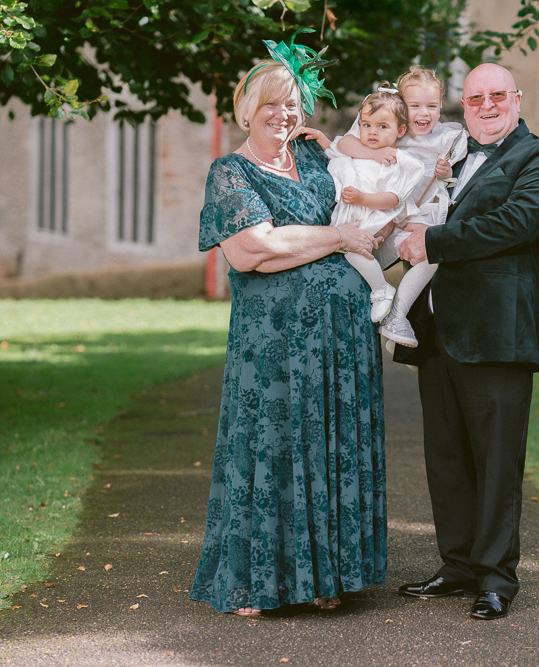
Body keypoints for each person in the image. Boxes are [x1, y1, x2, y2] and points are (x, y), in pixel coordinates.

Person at [189, 31, 387, 616]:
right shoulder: (230, 172)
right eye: (270, 103)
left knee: (330, 445)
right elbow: (253, 250)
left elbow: (375, 188)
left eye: (292, 102)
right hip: (270, 341)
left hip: (341, 335)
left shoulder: (317, 157)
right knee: (270, 446)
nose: (283, 113)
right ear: (246, 110)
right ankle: (257, 582)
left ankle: (328, 578)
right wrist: (336, 238)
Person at [393, 63, 539, 620]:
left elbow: (519, 221)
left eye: (497, 95)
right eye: (474, 98)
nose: (486, 106)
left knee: (496, 460)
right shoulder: (451, 152)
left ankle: (496, 577)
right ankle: (459, 565)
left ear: (517, 98)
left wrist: (434, 241)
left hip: (497, 332)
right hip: (439, 331)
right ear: (463, 106)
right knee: (446, 457)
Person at [334, 67, 468, 347]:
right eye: (414, 106)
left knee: (430, 254)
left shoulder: (448, 136)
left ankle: (398, 316)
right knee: (355, 249)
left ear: (441, 106)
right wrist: (376, 152)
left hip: (417, 212)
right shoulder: (386, 125)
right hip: (378, 209)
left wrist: (444, 171)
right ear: (401, 108)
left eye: (432, 106)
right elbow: (344, 143)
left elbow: (451, 174)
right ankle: (378, 298)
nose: (424, 113)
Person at [303, 85, 423, 323]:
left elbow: (394, 198)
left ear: (400, 130)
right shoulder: (358, 150)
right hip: (349, 218)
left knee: (355, 251)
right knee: (347, 251)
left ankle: (381, 290)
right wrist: (323, 139)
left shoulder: (396, 160)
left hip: (370, 216)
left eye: (382, 126)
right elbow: (338, 150)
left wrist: (362, 199)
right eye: (366, 125)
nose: (372, 132)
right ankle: (377, 290)